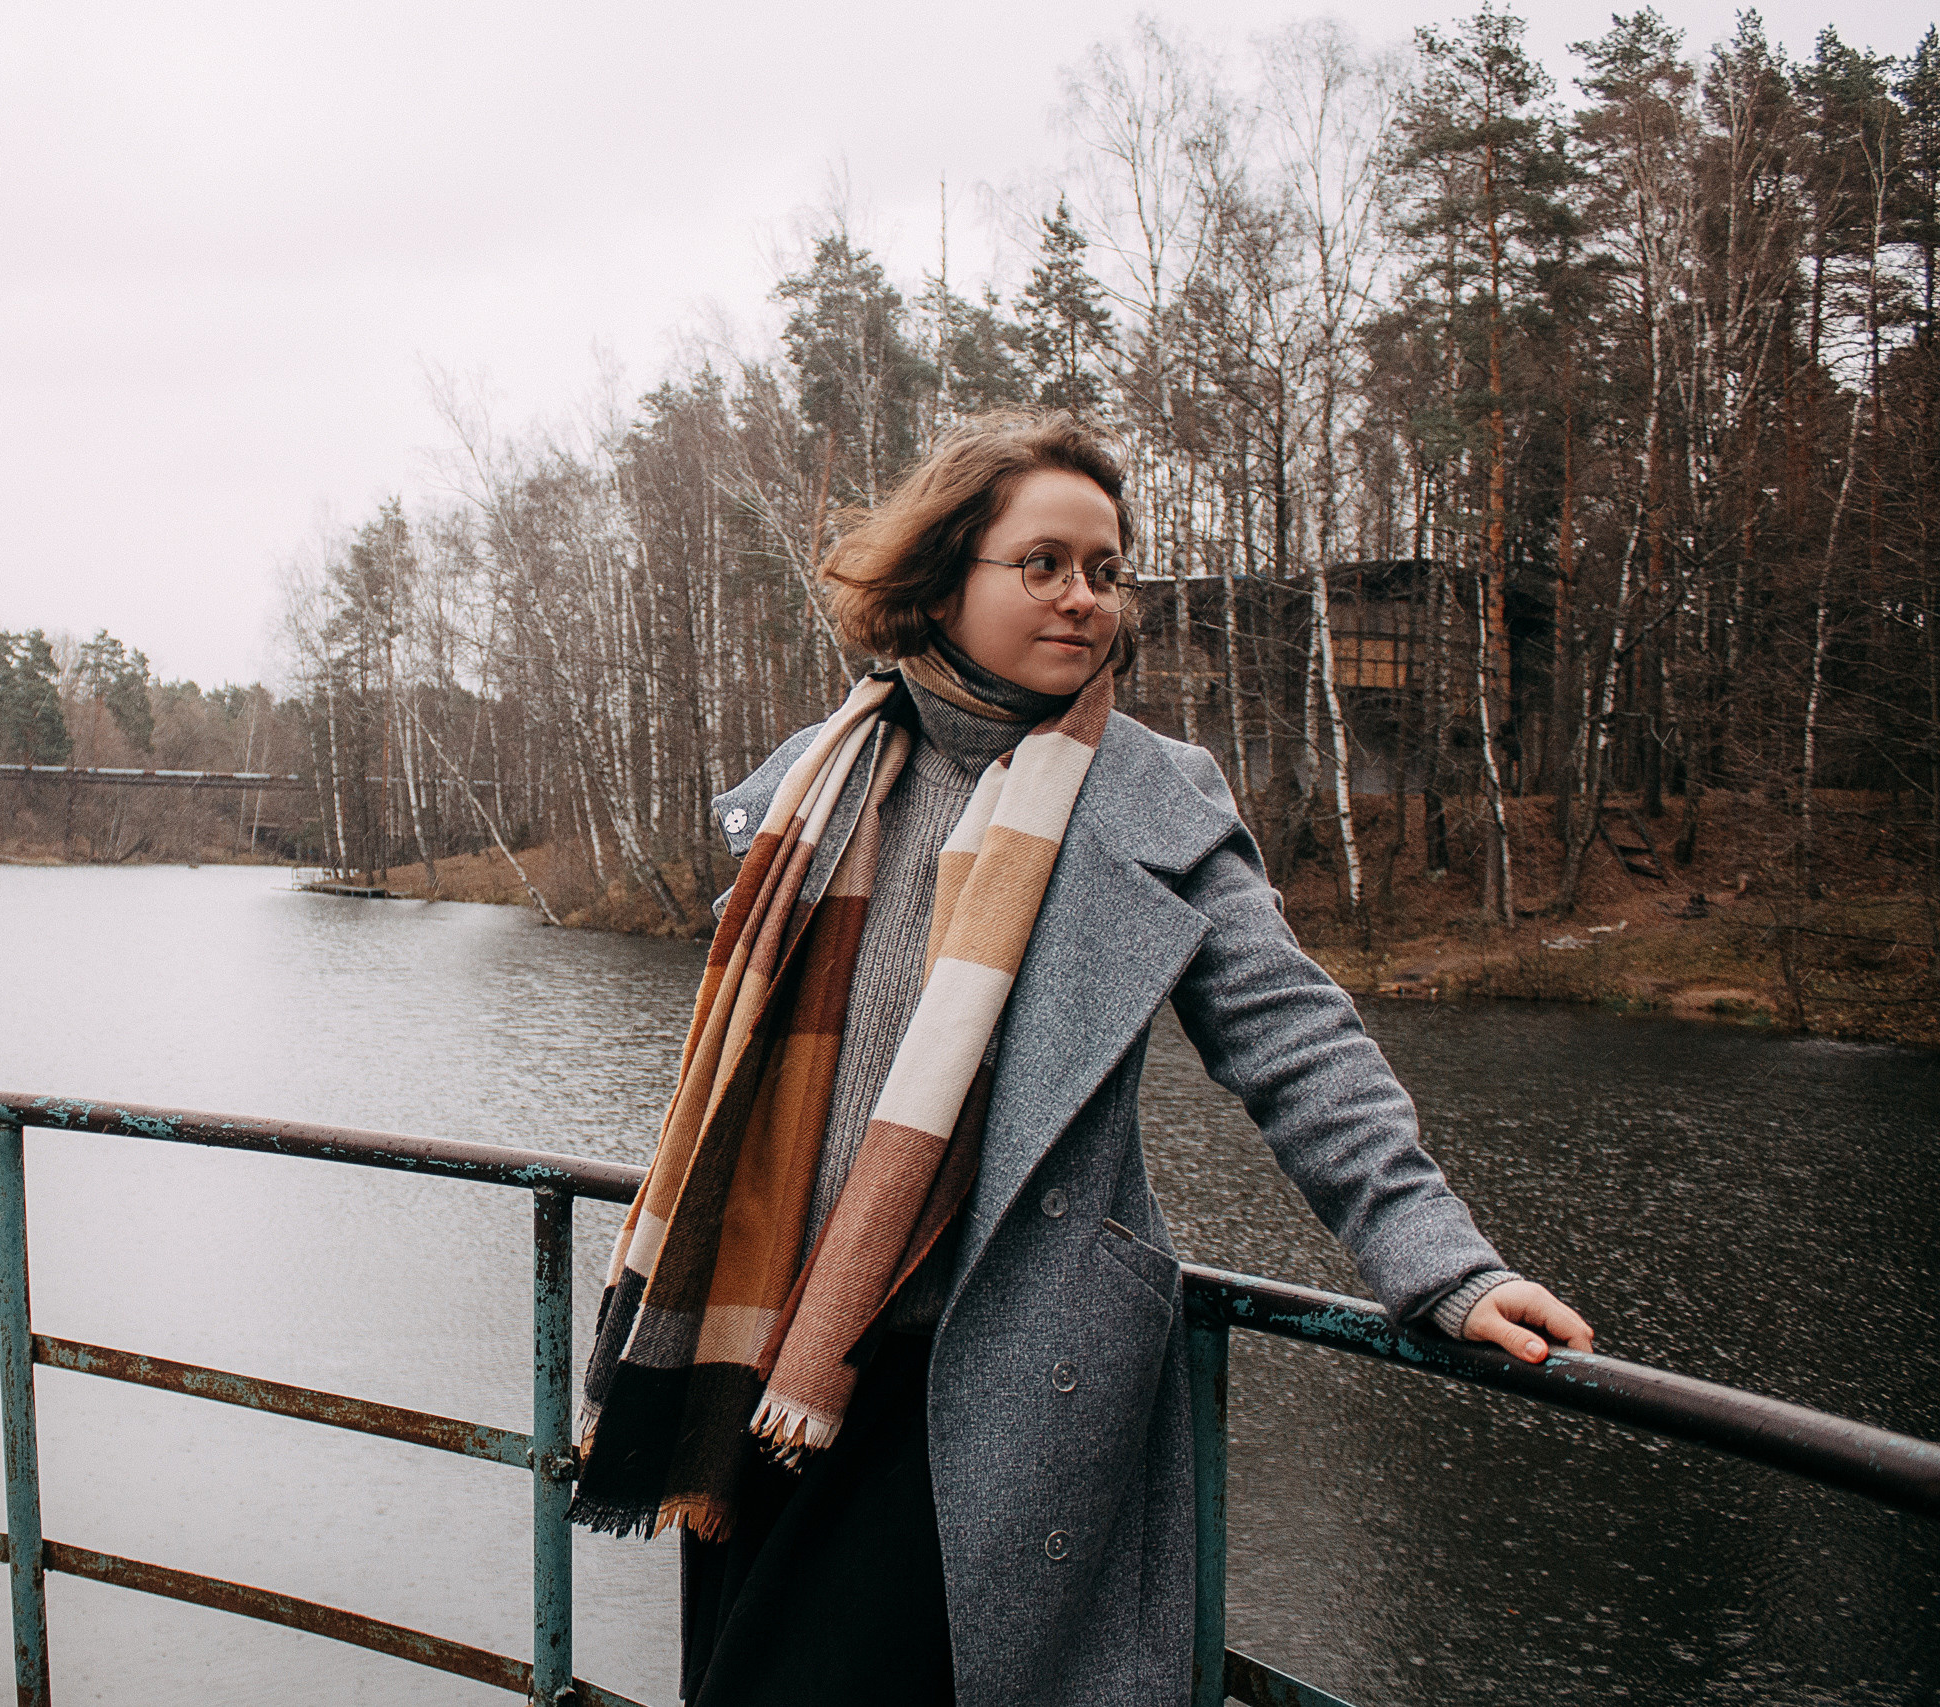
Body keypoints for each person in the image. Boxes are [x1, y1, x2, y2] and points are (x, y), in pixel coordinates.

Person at [569, 410, 1593, 1706]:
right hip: (769, 1359)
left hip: (986, 1367)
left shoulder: (1150, 797)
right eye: (1043, 564)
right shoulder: (819, 783)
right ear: (944, 581)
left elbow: (1292, 1037)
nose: (1084, 599)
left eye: (1107, 571)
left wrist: (1440, 1263)